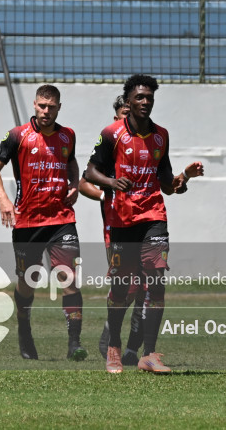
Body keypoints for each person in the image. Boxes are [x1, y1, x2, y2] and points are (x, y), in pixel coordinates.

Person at [85, 75, 204, 374]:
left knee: (157, 281)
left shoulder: (161, 135)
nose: (145, 102)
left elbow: (166, 185)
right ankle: (113, 346)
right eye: (139, 97)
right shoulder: (111, 134)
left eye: (149, 97)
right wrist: (111, 182)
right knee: (122, 287)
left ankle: (149, 354)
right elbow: (89, 172)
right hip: (121, 219)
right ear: (128, 102)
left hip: (153, 215)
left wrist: (185, 177)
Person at [0, 84, 87, 361]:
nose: (46, 111)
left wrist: (74, 184)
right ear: (34, 105)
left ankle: (74, 344)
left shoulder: (68, 136)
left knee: (69, 278)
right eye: (42, 106)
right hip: (27, 222)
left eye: (51, 107)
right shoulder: (17, 135)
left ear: (58, 108)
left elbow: (72, 162)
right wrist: (3, 199)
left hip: (61, 219)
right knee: (27, 282)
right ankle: (24, 329)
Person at [79, 95, 145, 365]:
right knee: (126, 287)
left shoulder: (146, 142)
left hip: (145, 225)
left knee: (146, 286)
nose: (126, 117)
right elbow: (84, 181)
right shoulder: (111, 143)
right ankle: (111, 332)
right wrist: (107, 193)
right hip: (116, 228)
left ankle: (131, 351)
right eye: (122, 113)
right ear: (117, 116)